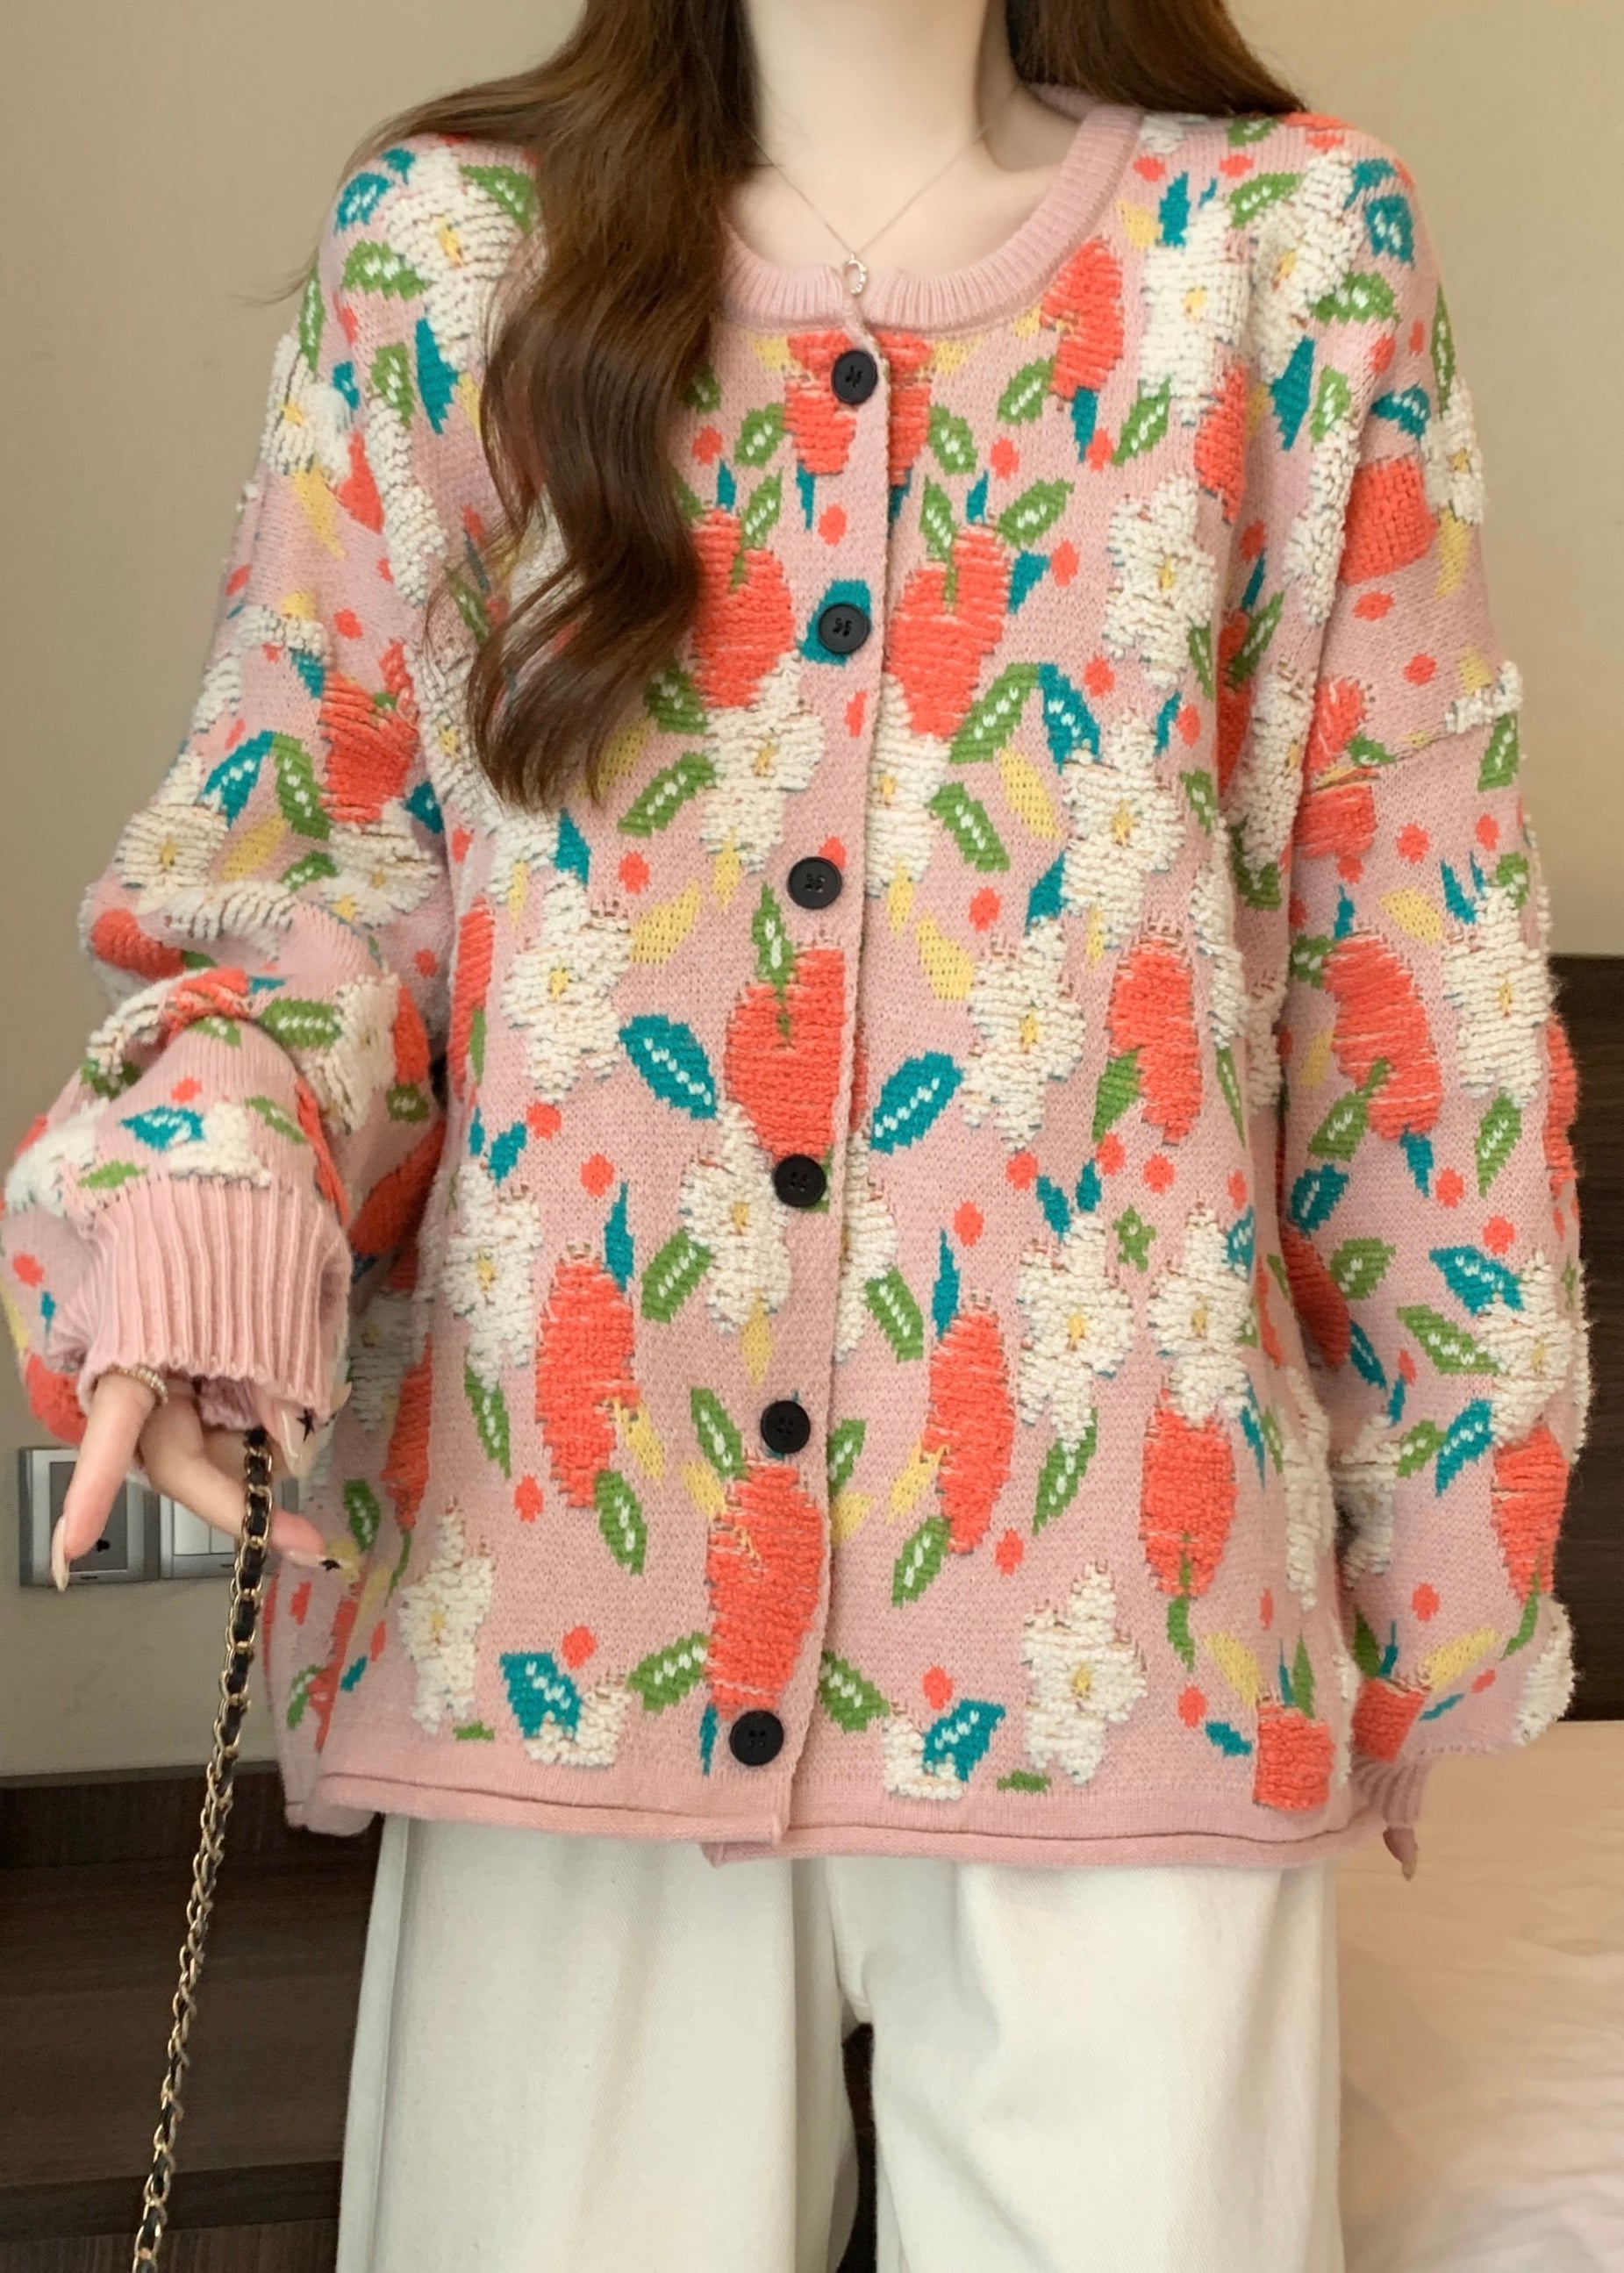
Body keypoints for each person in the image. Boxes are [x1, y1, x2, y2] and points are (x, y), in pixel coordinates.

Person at [4, 2, 1590, 2266]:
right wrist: (201, 1194)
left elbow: (1405, 955)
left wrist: (1432, 1582)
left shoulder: (1282, 257)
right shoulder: (454, 258)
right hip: (566, 1610)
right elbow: (318, 871)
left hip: (1123, 1641)